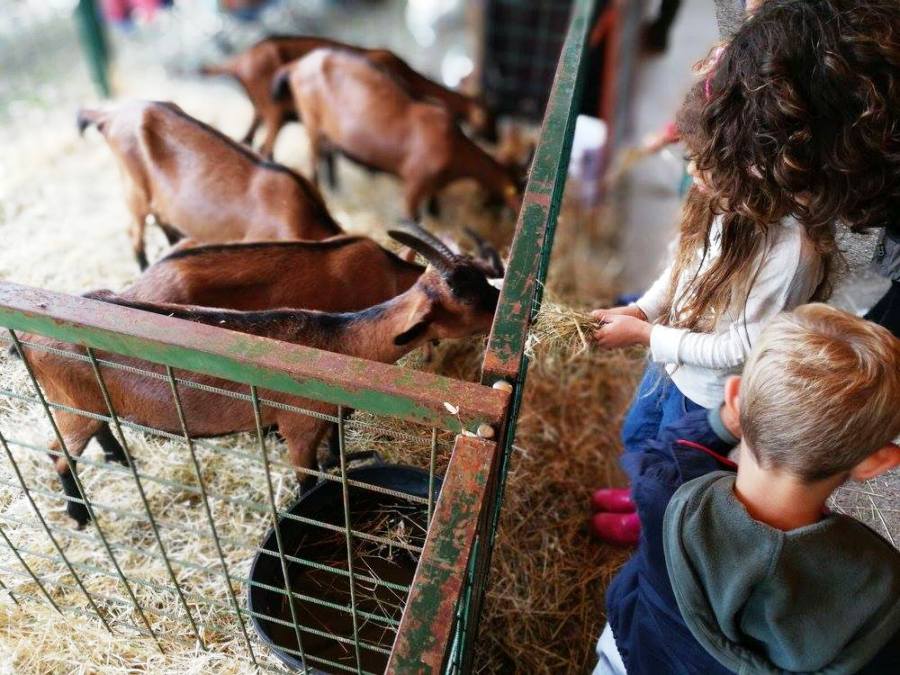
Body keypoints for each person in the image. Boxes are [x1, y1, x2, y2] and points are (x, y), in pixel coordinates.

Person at [589, 0, 900, 546]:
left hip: (707, 382)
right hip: (675, 361)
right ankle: (644, 500)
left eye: (706, 163)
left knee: (683, 464)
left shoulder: (790, 252)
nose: (694, 173)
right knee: (644, 438)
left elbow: (747, 345)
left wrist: (648, 334)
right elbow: (682, 265)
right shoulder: (726, 206)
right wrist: (644, 310)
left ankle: (658, 524)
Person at [594, 303, 900, 674]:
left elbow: (668, 450)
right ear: (878, 461)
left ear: (735, 398)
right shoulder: (879, 584)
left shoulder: (668, 489)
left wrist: (722, 422)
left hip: (636, 653)